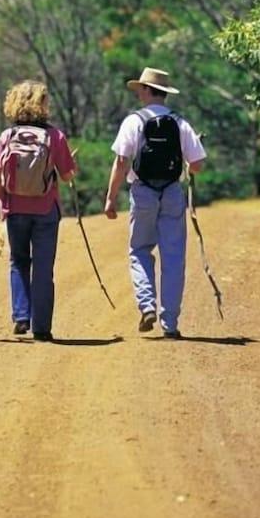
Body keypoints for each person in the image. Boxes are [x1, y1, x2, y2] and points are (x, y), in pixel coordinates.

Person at [104, 67, 206, 339]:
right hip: (172, 192)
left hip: (143, 192)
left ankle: (147, 304)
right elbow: (197, 165)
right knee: (173, 258)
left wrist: (111, 198)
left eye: (141, 89)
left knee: (139, 249)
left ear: (148, 91)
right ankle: (170, 323)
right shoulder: (180, 123)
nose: (138, 93)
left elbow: (121, 161)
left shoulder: (134, 121)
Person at [0, 80, 76, 342]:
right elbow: (67, 176)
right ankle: (42, 327)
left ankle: (21, 317)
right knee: (44, 269)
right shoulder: (54, 137)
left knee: (19, 262)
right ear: (42, 105)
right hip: (46, 210)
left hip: (15, 209)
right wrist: (71, 165)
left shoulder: (6, 137)